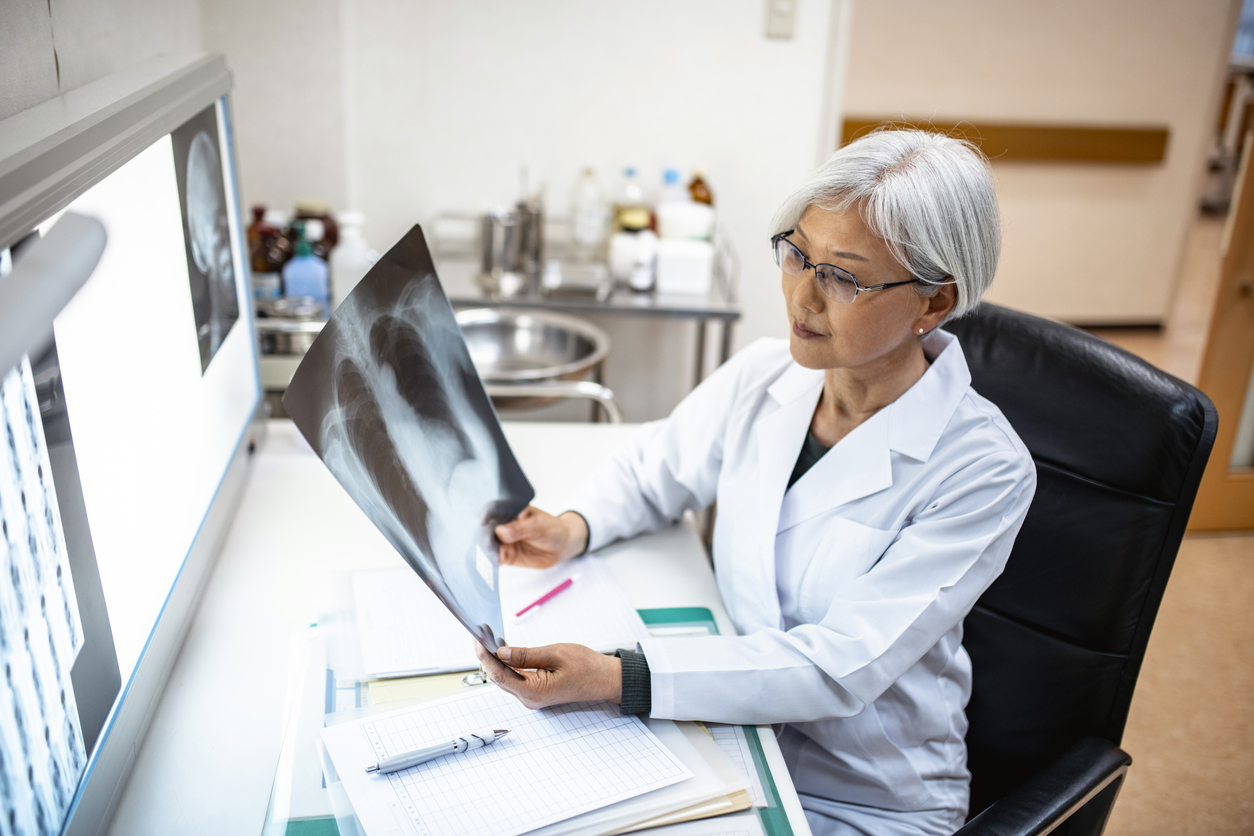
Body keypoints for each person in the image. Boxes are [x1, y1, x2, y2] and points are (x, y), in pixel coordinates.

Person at [475, 129, 1037, 836]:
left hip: (861, 794)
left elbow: (838, 667)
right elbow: (657, 468)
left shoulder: (982, 469)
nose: (802, 296)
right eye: (797, 253)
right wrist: (571, 527)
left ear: (931, 303)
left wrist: (618, 676)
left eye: (843, 276)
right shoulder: (766, 374)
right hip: (724, 740)